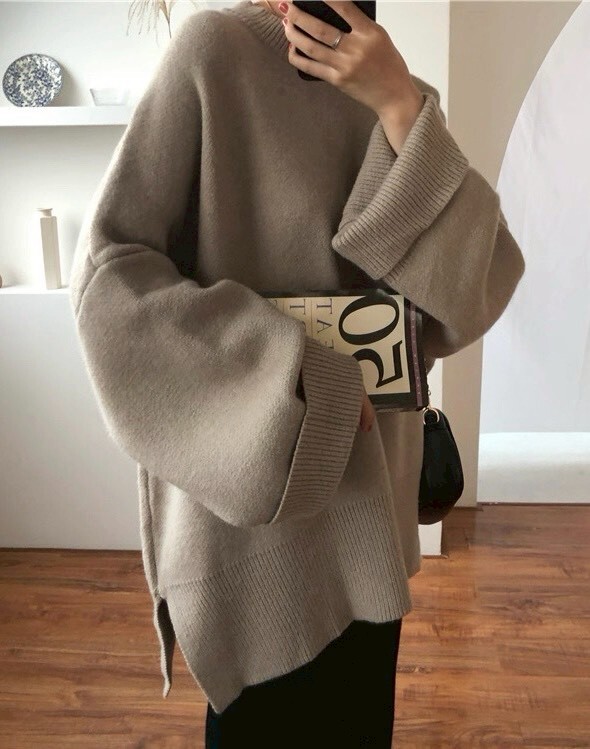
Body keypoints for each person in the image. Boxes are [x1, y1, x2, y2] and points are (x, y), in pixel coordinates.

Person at [68, 0, 526, 746]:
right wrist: (296, 378)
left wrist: (399, 104)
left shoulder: (394, 85)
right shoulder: (212, 53)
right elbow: (109, 281)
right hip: (258, 517)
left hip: (371, 510)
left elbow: (473, 290)